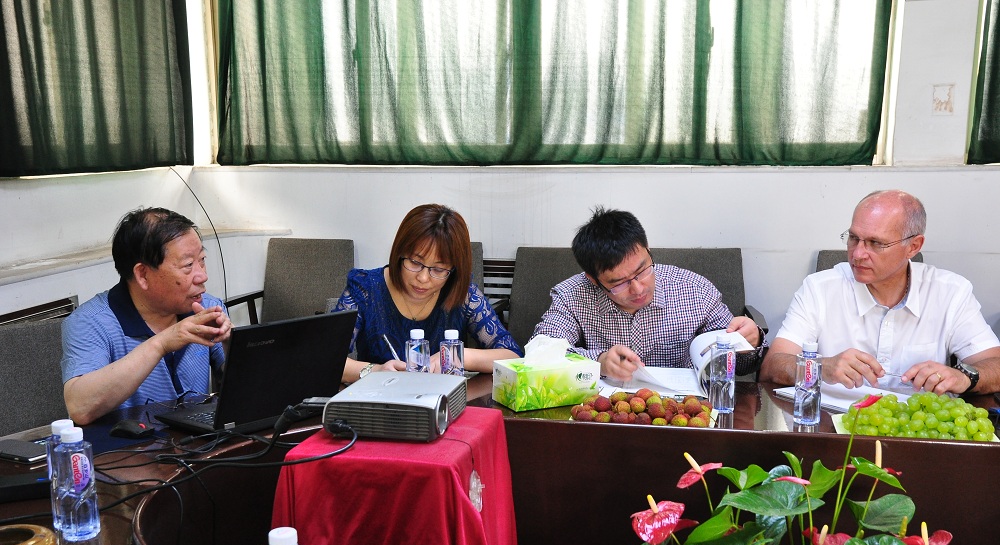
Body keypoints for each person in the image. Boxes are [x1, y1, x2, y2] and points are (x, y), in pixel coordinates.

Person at [760, 190, 1000, 394]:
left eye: (875, 243)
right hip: (833, 425)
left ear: (913, 246)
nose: (857, 254)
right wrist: (821, 367)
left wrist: (965, 377)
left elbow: (995, 365)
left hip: (917, 427)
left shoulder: (950, 292)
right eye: (853, 238)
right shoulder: (820, 289)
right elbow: (772, 366)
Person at [532, 207, 766, 381]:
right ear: (593, 279)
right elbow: (541, 352)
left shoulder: (695, 290)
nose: (638, 289)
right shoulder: (572, 295)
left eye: (642, 271)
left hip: (684, 412)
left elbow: (741, 366)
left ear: (648, 250)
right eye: (619, 283)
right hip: (606, 413)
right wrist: (599, 362)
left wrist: (749, 342)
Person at [62, 208, 232, 425]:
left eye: (202, 260)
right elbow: (80, 407)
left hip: (198, 441)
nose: (202, 275)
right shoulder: (90, 322)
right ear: (142, 274)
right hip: (131, 445)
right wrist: (161, 343)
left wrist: (232, 342)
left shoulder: (207, 307)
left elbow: (250, 389)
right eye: (188, 265)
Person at [333, 203, 521, 382]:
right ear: (399, 253)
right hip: (380, 400)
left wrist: (459, 355)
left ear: (453, 269)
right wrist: (376, 371)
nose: (423, 278)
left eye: (438, 269)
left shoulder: (462, 294)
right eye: (415, 263)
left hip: (444, 402)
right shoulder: (366, 289)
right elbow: (325, 359)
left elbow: (513, 356)